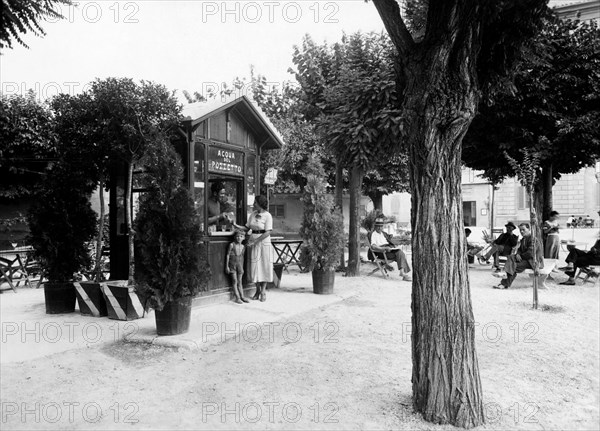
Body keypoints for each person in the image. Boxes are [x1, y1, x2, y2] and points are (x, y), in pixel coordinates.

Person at [233, 195, 273, 302]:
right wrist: (235, 225)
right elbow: (247, 228)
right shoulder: (253, 215)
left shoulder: (267, 216)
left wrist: (255, 241)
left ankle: (263, 291)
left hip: (263, 242)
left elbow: (268, 232)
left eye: (255, 202)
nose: (253, 204)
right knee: (254, 266)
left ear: (260, 203)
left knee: (264, 265)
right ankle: (257, 290)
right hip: (253, 240)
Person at [494, 222, 543, 289]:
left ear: (529, 229)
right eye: (520, 230)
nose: (522, 231)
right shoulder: (523, 239)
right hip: (525, 259)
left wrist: (520, 256)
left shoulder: (533, 239)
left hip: (532, 261)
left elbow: (530, 253)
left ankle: (504, 283)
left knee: (513, 266)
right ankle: (504, 280)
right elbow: (519, 250)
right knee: (510, 257)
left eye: (523, 229)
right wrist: (517, 254)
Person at [225, 230, 249, 303]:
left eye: (241, 236)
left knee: (240, 281)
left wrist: (242, 267)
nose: (239, 238)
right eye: (237, 236)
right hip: (232, 265)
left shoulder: (243, 247)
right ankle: (237, 297)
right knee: (234, 281)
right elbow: (228, 255)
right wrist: (226, 266)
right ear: (235, 237)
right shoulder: (232, 245)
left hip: (240, 266)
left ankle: (242, 296)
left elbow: (243, 257)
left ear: (244, 238)